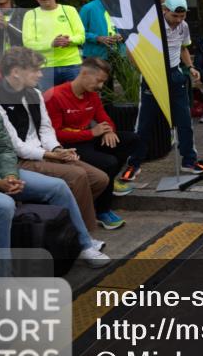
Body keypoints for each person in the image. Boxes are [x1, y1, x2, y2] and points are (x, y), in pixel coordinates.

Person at [0, 59, 110, 268]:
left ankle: (83, 244)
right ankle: (2, 279)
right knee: (3, 205)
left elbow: (3, 148)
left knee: (60, 186)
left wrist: (9, 175)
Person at [0, 47, 106, 234]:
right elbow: (14, 146)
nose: (41, 74)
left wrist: (57, 149)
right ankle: (85, 236)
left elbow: (45, 129)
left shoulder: (35, 93)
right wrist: (49, 154)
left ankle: (66, 225)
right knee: (78, 176)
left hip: (42, 153)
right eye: (35, 70)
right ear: (16, 72)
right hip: (18, 162)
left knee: (99, 179)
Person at [120, 0, 203, 181]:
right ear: (164, 10)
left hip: (176, 74)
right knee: (144, 123)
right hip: (153, 76)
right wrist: (144, 70)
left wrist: (190, 67)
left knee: (185, 121)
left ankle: (189, 161)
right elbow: (131, 50)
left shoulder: (183, 26)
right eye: (174, 17)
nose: (178, 21)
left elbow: (184, 48)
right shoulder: (151, 26)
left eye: (182, 17)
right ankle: (134, 164)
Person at [45, 56, 138, 230]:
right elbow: (55, 134)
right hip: (67, 146)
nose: (101, 86)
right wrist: (91, 133)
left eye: (103, 82)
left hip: (87, 139)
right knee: (109, 162)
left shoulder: (92, 95)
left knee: (131, 139)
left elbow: (105, 119)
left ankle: (107, 182)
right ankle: (102, 211)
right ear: (84, 73)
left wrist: (108, 130)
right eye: (99, 81)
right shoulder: (55, 95)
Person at [21, 0, 85, 89]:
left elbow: (81, 37)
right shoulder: (30, 14)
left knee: (75, 101)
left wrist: (69, 40)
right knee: (48, 102)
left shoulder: (69, 10)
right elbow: (28, 43)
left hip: (72, 65)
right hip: (45, 67)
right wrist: (51, 44)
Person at [78, 0, 125, 90]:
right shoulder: (88, 8)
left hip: (119, 54)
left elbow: (127, 28)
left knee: (129, 86)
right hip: (97, 55)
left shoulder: (119, 7)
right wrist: (98, 38)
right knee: (102, 89)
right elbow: (79, 33)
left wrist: (121, 34)